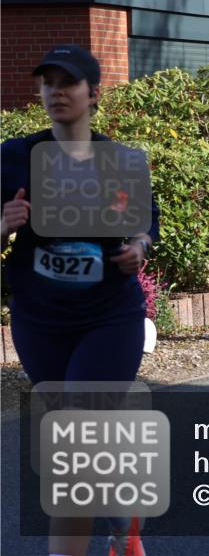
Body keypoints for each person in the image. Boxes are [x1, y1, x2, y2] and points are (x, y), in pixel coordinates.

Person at [0, 45, 158, 556]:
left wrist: (137, 248)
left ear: (93, 93)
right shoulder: (13, 157)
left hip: (109, 316)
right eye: (48, 82)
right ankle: (120, 520)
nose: (55, 91)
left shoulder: (121, 160)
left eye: (67, 82)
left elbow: (144, 224)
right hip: (39, 318)